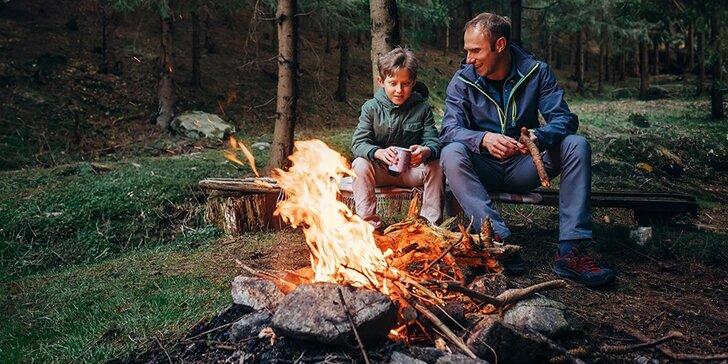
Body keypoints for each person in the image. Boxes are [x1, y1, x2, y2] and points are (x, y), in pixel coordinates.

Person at [439, 12, 614, 287]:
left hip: (525, 167)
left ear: (499, 45)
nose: (469, 59)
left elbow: (565, 120)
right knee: (451, 153)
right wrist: (483, 139)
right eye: (467, 51)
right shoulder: (462, 81)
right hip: (480, 168)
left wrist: (538, 137)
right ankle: (498, 240)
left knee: (576, 145)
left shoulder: (536, 72)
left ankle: (571, 252)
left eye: (475, 50)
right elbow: (448, 130)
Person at [351, 47, 445, 230]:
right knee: (359, 164)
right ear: (381, 81)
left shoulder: (422, 108)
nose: (399, 90)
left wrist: (425, 151)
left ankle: (430, 227)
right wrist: (378, 152)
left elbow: (435, 143)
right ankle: (369, 227)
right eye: (393, 83)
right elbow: (358, 144)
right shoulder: (370, 108)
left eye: (405, 84)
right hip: (381, 172)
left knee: (437, 164)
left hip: (411, 171)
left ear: (413, 82)